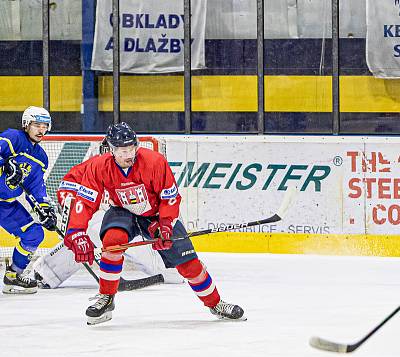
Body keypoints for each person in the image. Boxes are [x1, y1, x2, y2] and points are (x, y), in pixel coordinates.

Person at [63, 122, 245, 325]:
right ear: (112, 150)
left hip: (158, 215)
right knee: (113, 242)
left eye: (132, 147)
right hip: (123, 212)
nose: (129, 154)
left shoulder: (154, 161)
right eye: (123, 150)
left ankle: (216, 304)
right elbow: (85, 202)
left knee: (189, 265)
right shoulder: (99, 166)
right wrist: (76, 231)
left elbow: (170, 198)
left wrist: (165, 225)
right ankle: (106, 298)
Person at [31, 139, 183, 289]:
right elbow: (67, 188)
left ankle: (171, 266)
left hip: (118, 216)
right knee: (87, 237)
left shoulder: (133, 169)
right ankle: (46, 273)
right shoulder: (94, 167)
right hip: (94, 217)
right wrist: (72, 208)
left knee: (126, 240)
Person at [0, 106, 58, 294]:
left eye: (45, 126)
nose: (41, 130)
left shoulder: (41, 157)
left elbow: (35, 188)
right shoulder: (13, 138)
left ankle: (13, 276)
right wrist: (6, 164)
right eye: (37, 125)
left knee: (34, 233)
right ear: (26, 125)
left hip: (6, 205)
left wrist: (45, 209)